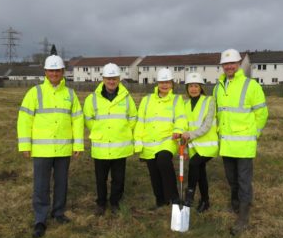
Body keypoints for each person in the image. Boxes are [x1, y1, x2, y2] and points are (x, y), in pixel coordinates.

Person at [17, 54, 84, 238]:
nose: (54, 73)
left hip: (63, 148)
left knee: (61, 183)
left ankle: (59, 212)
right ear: (45, 72)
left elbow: (77, 120)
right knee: (41, 185)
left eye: (57, 70)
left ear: (63, 72)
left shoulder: (70, 94)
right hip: (42, 150)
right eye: (51, 70)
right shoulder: (34, 92)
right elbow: (24, 119)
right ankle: (40, 219)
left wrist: (78, 143)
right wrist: (25, 144)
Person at [214, 49, 268, 235]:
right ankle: (235, 204)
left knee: (244, 180)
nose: (229, 66)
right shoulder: (218, 86)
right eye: (225, 64)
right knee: (231, 179)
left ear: (238, 64)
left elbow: (261, 113)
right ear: (222, 66)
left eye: (232, 63)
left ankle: (243, 217)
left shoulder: (251, 85)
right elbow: (218, 114)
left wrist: (255, 134)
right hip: (227, 144)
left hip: (244, 143)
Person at [83, 63, 137, 216]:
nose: (111, 82)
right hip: (101, 145)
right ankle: (101, 203)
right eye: (108, 79)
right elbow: (88, 118)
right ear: (103, 79)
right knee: (101, 178)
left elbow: (133, 117)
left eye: (114, 79)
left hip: (120, 145)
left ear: (119, 79)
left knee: (118, 178)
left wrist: (124, 129)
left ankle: (115, 202)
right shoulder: (92, 99)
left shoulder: (127, 98)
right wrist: (99, 130)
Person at [134, 68, 187, 209]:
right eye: (162, 82)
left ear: (172, 84)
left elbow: (181, 119)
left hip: (167, 140)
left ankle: (174, 197)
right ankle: (161, 200)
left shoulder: (177, 100)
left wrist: (177, 130)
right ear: (158, 83)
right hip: (149, 142)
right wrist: (138, 141)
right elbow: (140, 121)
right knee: (154, 172)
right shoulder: (146, 100)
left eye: (167, 82)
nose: (165, 85)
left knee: (163, 161)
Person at [181, 72, 218, 213]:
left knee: (194, 164)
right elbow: (183, 128)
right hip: (193, 147)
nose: (193, 89)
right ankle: (205, 200)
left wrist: (190, 135)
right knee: (200, 172)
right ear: (187, 88)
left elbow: (207, 125)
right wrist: (184, 149)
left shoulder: (210, 101)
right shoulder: (184, 104)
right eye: (190, 86)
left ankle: (189, 195)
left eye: (196, 86)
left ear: (201, 87)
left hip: (208, 145)